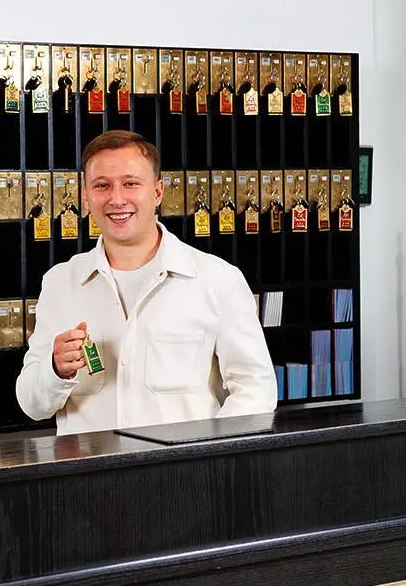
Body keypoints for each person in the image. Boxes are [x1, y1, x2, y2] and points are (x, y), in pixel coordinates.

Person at [15, 130, 277, 434]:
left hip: (182, 475)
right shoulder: (61, 282)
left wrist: (206, 454)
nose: (116, 199)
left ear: (157, 191)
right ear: (85, 195)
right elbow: (31, 405)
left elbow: (255, 391)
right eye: (102, 185)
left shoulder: (218, 280)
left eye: (131, 183)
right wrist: (56, 370)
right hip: (88, 478)